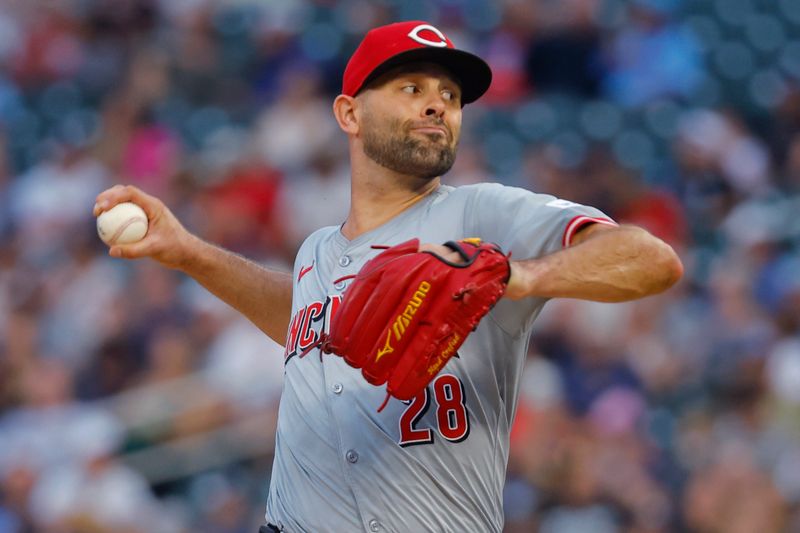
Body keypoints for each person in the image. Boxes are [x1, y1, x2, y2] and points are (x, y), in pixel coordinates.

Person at [94, 20, 683, 533]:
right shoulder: (316, 251)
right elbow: (307, 319)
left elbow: (651, 259)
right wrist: (189, 252)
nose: (438, 105)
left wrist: (519, 277)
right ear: (349, 112)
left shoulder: (483, 214)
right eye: (411, 88)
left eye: (449, 95)